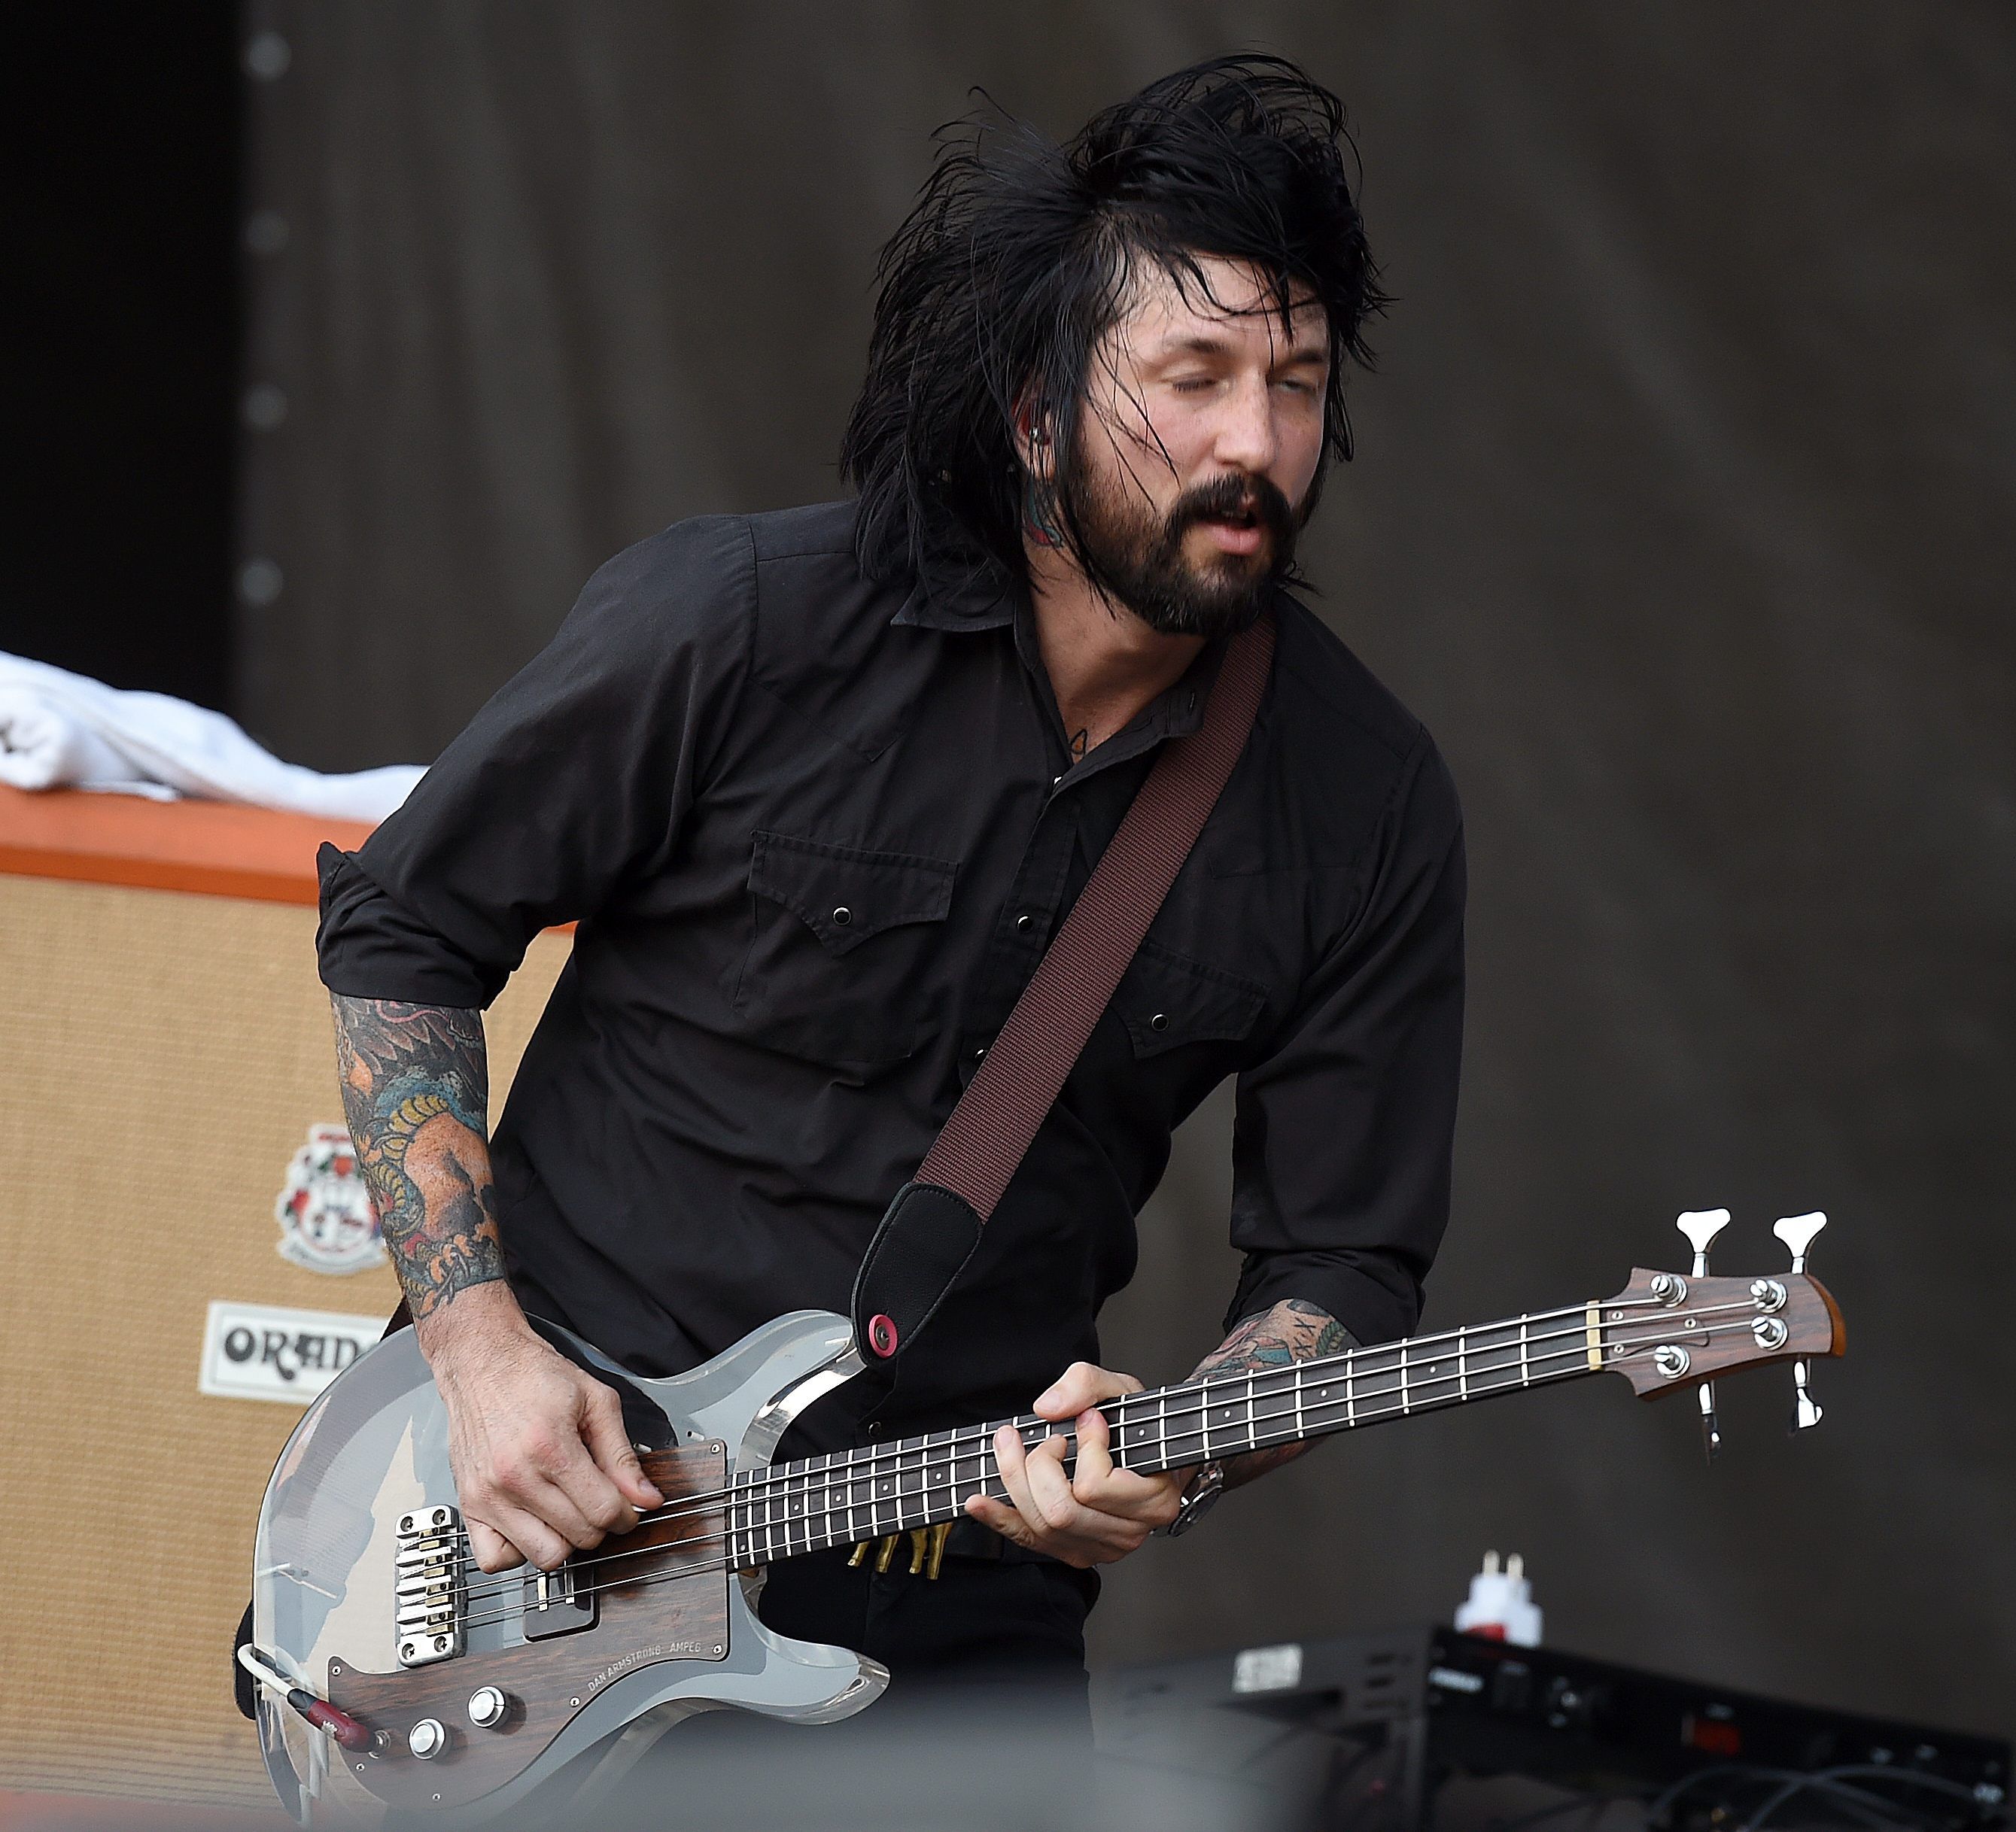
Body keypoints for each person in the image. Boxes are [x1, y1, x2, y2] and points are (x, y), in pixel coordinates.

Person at [315, 54, 1464, 1749]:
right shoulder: (742, 623)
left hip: (943, 1605)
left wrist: (1184, 1448)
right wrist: (476, 1354)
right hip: (530, 1527)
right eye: (1196, 375)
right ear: (1038, 412)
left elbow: (1343, 1261)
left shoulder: (1363, 801)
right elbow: (407, 931)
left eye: (1295, 384)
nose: (1257, 444)